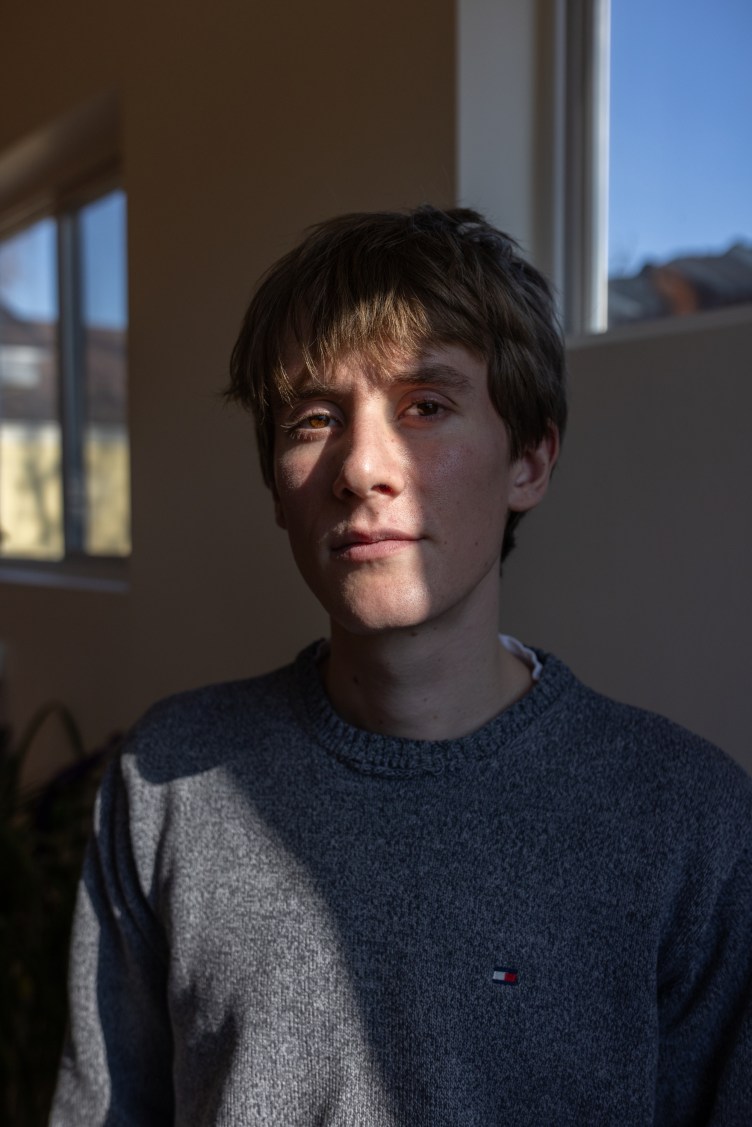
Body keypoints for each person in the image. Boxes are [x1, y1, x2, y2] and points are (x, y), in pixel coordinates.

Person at [52, 206, 752, 1125]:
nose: (363, 467)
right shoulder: (167, 781)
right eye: (313, 418)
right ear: (275, 486)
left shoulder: (688, 823)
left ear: (530, 461)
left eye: (425, 405)